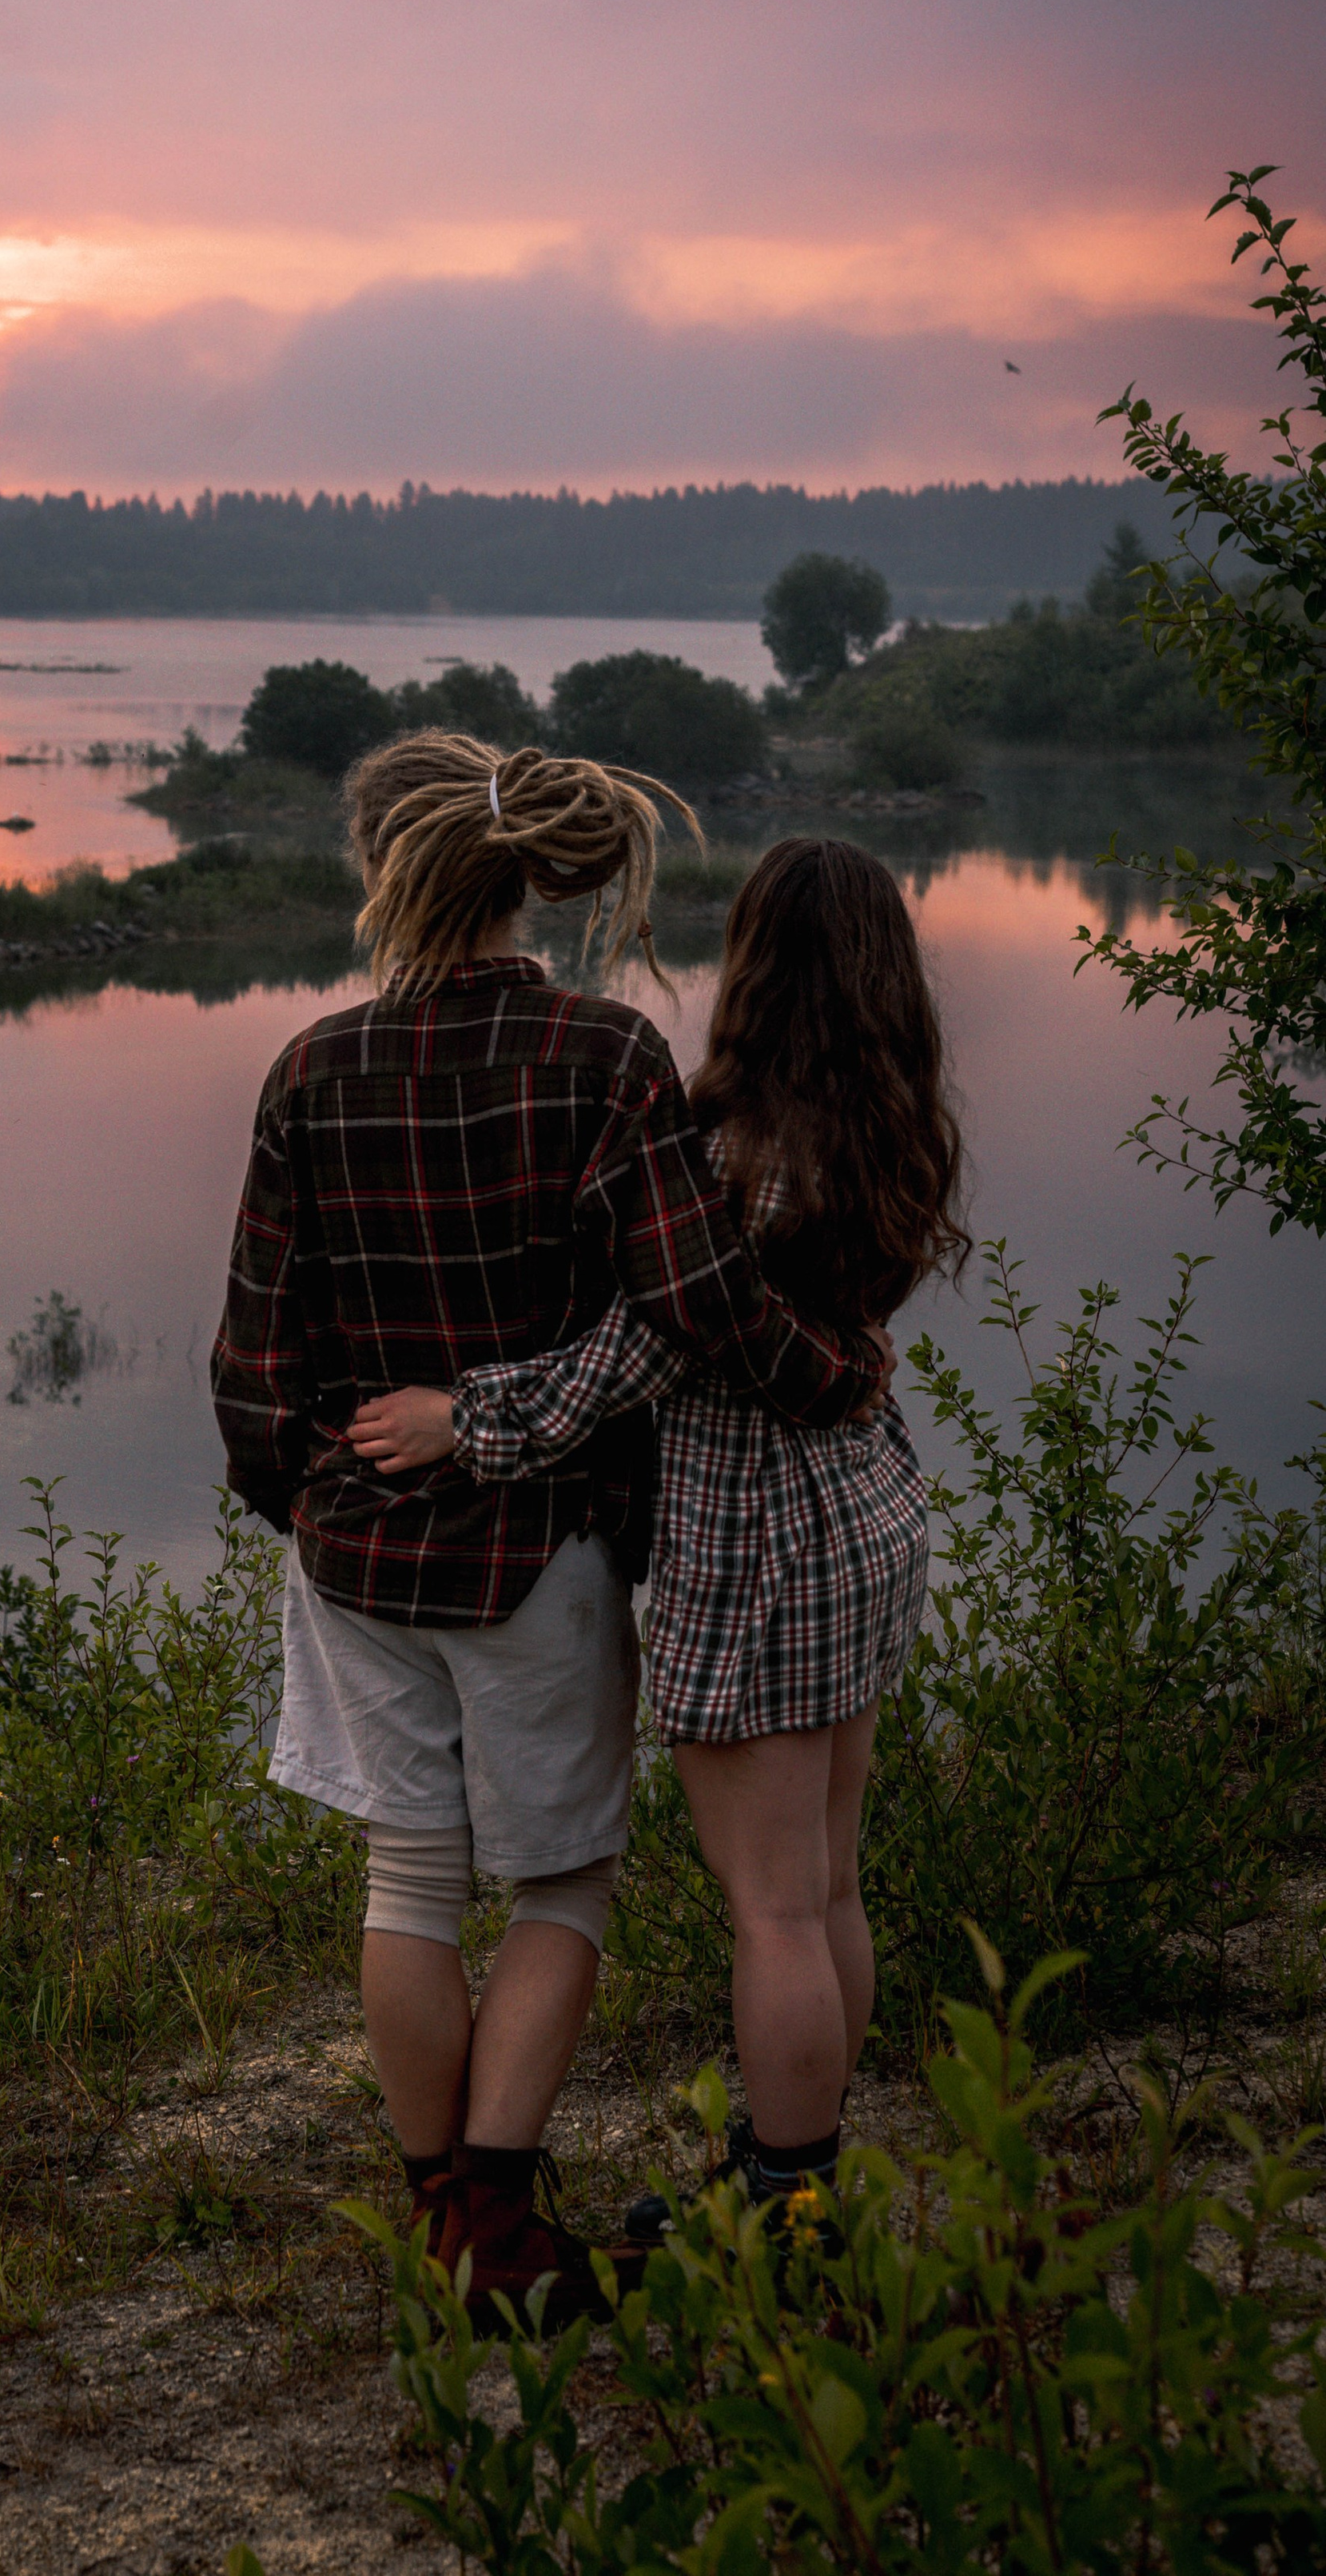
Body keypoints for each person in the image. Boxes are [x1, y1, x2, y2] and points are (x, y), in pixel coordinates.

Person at [211, 743, 890, 2329]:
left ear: (400, 876)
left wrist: (313, 1504)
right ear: (527, 878)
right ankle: (499, 2219)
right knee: (562, 1886)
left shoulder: (307, 1067)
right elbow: (692, 1301)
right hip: (536, 1555)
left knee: (406, 1877)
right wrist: (833, 1372)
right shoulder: (602, 1058)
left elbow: (257, 1360)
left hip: (356, 1550)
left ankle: (439, 2209)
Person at [348, 836, 967, 2243]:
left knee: (778, 1912)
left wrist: (473, 1420)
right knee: (828, 1882)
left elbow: (647, 1347)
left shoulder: (731, 1152)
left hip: (754, 1541)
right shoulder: (893, 1126)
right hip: (863, 1509)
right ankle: (794, 2169)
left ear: (753, 965)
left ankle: (783, 2210)